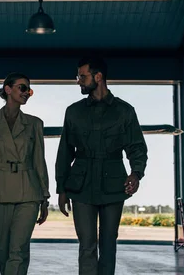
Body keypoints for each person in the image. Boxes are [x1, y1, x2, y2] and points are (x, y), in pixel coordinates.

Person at [55, 57, 148, 275]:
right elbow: (64, 152)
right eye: (78, 76)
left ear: (98, 77)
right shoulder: (73, 111)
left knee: (108, 244)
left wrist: (136, 173)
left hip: (113, 184)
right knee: (87, 244)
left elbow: (136, 147)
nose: (79, 81)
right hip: (81, 185)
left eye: (82, 76)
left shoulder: (124, 111)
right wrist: (61, 188)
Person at [0, 72, 50, 275]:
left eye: (29, 90)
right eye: (23, 88)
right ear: (8, 89)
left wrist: (45, 196)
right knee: (4, 252)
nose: (27, 93)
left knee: (18, 251)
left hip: (28, 192)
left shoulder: (35, 124)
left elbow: (39, 161)